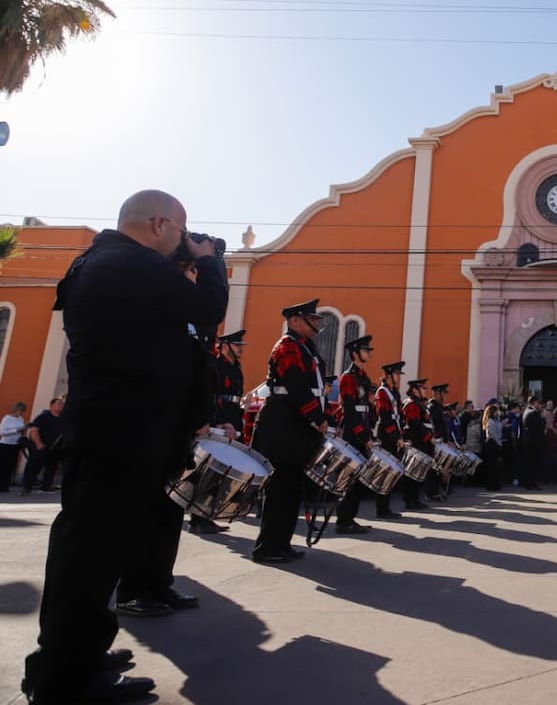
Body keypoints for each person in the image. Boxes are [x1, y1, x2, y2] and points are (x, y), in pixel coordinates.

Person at [23, 189, 228, 704]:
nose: (185, 241)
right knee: (89, 555)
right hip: (120, 431)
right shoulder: (129, 263)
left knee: (95, 553)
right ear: (159, 224)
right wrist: (211, 262)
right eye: (182, 231)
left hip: (117, 428)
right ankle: (67, 679)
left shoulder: (112, 262)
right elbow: (210, 307)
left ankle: (75, 655)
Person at [251, 298, 330, 563]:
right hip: (283, 424)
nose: (317, 323)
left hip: (296, 425)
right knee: (280, 490)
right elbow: (296, 385)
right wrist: (316, 417)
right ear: (294, 321)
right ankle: (268, 547)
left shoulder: (305, 347)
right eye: (312, 319)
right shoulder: (287, 347)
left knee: (292, 489)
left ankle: (281, 544)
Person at [190, 329, 247, 535]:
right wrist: (219, 423)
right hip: (217, 422)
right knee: (208, 471)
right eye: (237, 345)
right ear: (224, 346)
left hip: (231, 422)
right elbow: (212, 396)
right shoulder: (216, 365)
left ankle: (207, 515)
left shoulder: (236, 369)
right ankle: (198, 518)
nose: (240, 349)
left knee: (220, 472)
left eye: (241, 346)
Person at [334, 335, 380, 533]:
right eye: (365, 350)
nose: (369, 353)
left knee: (358, 478)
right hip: (353, 432)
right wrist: (363, 437)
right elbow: (350, 411)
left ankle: (351, 517)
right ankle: (343, 521)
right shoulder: (348, 378)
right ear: (354, 353)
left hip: (364, 429)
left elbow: (368, 408)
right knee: (350, 478)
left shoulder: (363, 377)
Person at [374, 360, 406, 515]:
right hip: (386, 436)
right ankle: (382, 508)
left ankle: (386, 506)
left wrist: (401, 436)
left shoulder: (394, 392)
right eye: (396, 374)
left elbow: (399, 416)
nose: (399, 377)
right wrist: (395, 437)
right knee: (386, 471)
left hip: (395, 435)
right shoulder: (382, 392)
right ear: (388, 375)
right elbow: (385, 417)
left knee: (392, 472)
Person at [399, 378, 433, 509]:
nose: (424, 391)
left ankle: (415, 499)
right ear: (415, 390)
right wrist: (428, 436)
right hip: (416, 441)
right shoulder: (411, 404)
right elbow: (414, 423)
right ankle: (410, 500)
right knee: (412, 474)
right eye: (422, 388)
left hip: (421, 441)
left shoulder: (418, 403)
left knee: (418, 473)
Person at [21, 397, 64, 494]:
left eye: (62, 404)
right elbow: (34, 430)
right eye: (59, 404)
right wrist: (39, 444)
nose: (62, 406)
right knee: (34, 467)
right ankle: (27, 487)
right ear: (52, 406)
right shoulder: (44, 417)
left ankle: (46, 486)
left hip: (55, 448)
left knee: (51, 468)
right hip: (42, 447)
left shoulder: (63, 418)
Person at [0, 400, 28, 491]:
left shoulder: (20, 419)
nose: (20, 413)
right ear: (15, 409)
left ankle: (6, 485)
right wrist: (16, 430)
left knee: (11, 466)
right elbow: (2, 432)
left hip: (15, 444)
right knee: (3, 466)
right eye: (19, 411)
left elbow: (22, 428)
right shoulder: (7, 419)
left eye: (22, 411)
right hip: (5, 444)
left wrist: (24, 430)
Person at [520, 394, 546, 490]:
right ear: (534, 403)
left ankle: (530, 482)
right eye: (538, 403)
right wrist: (543, 418)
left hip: (529, 442)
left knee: (530, 463)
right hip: (533, 442)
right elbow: (539, 426)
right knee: (533, 463)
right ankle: (531, 482)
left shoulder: (526, 411)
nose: (540, 405)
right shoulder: (532, 413)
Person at [481, 400, 505, 491]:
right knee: (491, 465)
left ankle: (496, 483)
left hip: (496, 443)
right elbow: (493, 434)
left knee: (495, 465)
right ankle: (491, 484)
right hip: (492, 443)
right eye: (496, 411)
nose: (497, 413)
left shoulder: (496, 420)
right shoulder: (490, 422)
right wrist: (499, 443)